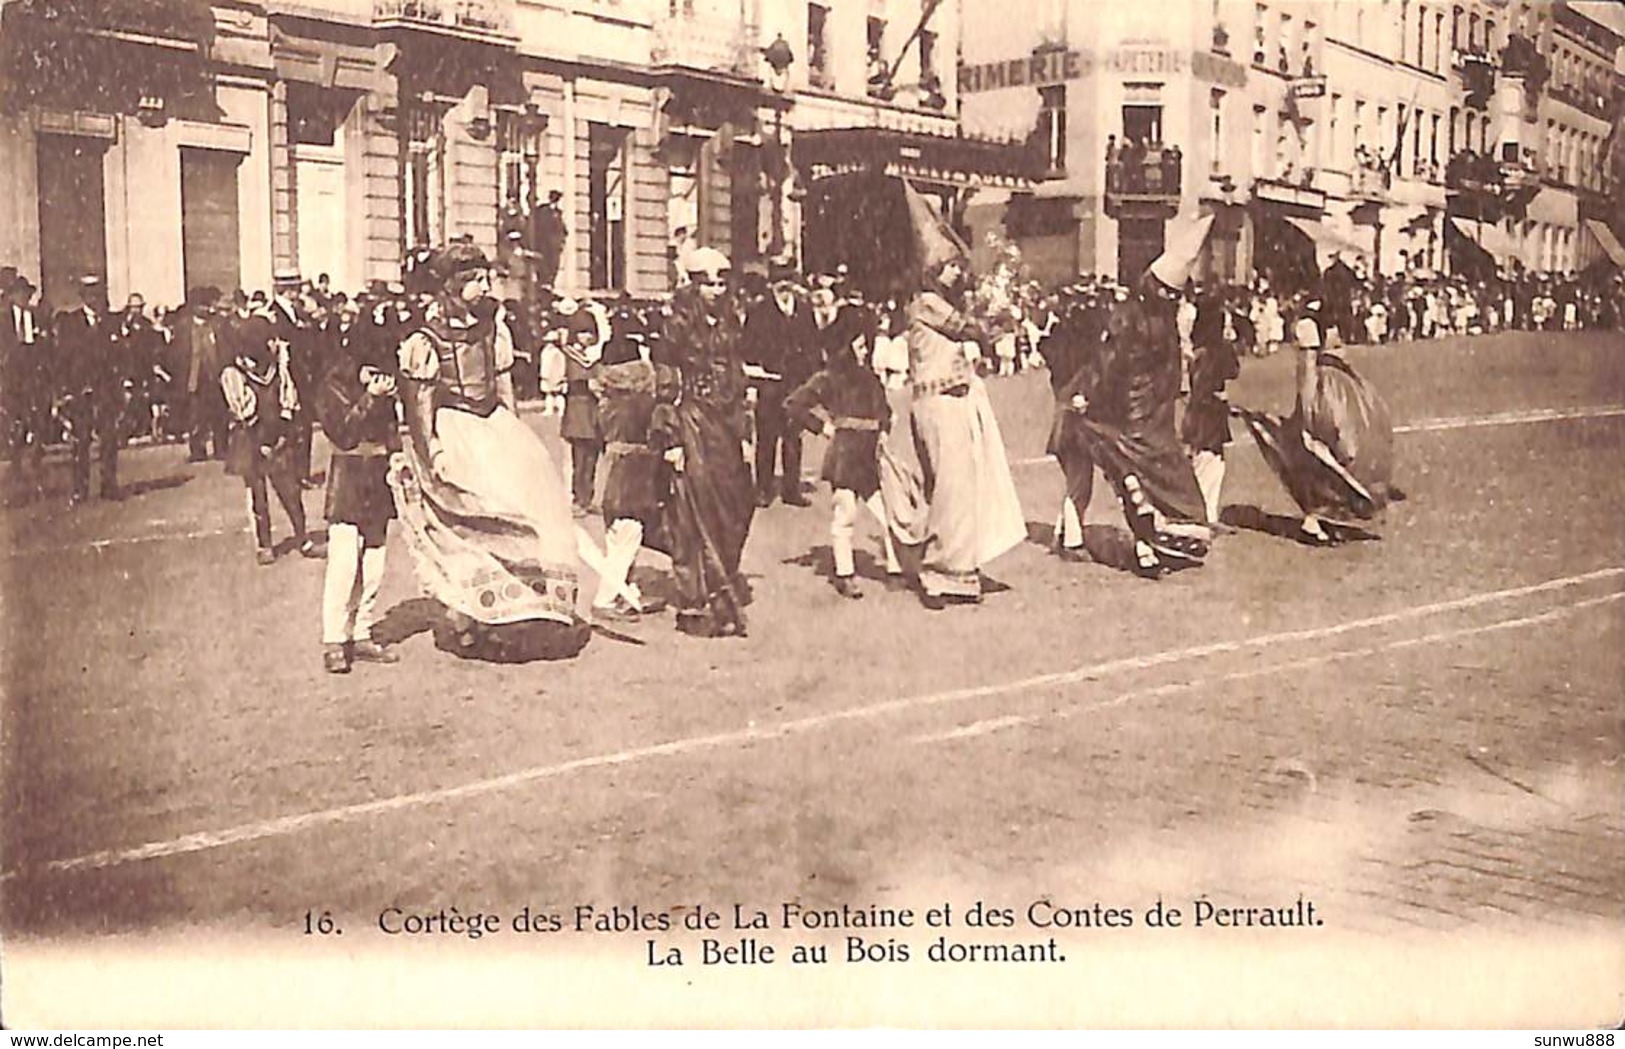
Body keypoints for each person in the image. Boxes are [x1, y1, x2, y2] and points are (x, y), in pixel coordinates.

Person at [388, 243, 587, 660]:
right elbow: (419, 403)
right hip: (456, 429)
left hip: (492, 425)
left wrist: (514, 431)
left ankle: (520, 610)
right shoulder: (426, 339)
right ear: (450, 287)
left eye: (484, 279)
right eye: (474, 281)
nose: (483, 287)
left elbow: (503, 384)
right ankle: (469, 615)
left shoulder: (492, 327)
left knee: (522, 505)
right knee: (468, 523)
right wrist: (432, 452)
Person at [900, 182, 1025, 608]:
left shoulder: (938, 301)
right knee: (951, 484)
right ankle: (938, 571)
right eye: (950, 266)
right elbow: (967, 328)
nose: (957, 273)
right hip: (936, 402)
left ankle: (958, 566)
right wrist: (997, 316)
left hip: (952, 399)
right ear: (932, 271)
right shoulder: (927, 304)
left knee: (961, 482)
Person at [1073, 217, 1214, 578]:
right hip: (1155, 413)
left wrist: (1088, 395)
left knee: (1126, 473)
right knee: (1162, 474)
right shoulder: (1166, 323)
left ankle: (1144, 540)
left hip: (1126, 410)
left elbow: (1109, 364)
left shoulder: (1128, 316)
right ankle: (1162, 534)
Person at [1236, 293, 1405, 544]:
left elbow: (1308, 370)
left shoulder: (1308, 328)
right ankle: (1320, 516)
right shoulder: (1325, 327)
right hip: (1333, 390)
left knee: (1316, 455)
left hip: (1324, 390)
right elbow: (1320, 364)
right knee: (1327, 453)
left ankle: (1315, 517)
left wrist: (1309, 408)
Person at [651, 247, 756, 637]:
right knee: (692, 512)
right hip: (691, 419)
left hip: (726, 423)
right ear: (692, 285)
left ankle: (722, 582)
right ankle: (696, 601)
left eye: (719, 282)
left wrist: (745, 431)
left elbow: (738, 375)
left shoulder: (731, 321)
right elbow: (665, 380)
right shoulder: (676, 325)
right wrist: (672, 436)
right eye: (707, 282)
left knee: (738, 504)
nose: (715, 289)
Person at [784, 310, 902, 599]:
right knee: (845, 515)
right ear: (846, 345)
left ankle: (896, 569)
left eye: (866, 346)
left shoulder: (871, 378)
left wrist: (884, 428)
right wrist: (822, 426)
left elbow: (884, 410)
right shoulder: (829, 378)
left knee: (888, 514)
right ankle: (845, 573)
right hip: (846, 455)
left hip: (870, 456)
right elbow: (793, 404)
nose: (865, 351)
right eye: (860, 345)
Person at [313, 320, 403, 674]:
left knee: (376, 563)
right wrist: (370, 399)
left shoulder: (381, 383)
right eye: (372, 371)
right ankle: (334, 639)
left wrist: (396, 453)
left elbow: (391, 427)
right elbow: (344, 433)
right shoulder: (332, 386)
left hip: (378, 475)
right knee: (344, 562)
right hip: (349, 478)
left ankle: (361, 630)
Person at [588, 313, 671, 621]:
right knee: (629, 534)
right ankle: (607, 598)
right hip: (635, 470)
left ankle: (626, 591)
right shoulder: (641, 401)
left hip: (612, 466)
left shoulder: (606, 401)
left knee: (616, 535)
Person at [221, 316, 321, 564]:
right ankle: (264, 544)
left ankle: (302, 537)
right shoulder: (234, 373)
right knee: (257, 493)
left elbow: (288, 398)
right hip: (251, 440)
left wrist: (282, 431)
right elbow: (243, 411)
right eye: (268, 340)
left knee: (290, 490)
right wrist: (262, 443)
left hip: (278, 437)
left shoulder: (277, 368)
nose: (272, 345)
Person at [742, 258, 821, 507]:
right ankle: (763, 489)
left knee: (793, 436)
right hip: (770, 383)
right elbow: (748, 347)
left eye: (788, 279)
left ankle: (791, 489)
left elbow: (813, 345)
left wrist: (812, 381)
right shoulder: (759, 311)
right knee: (767, 437)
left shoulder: (804, 308)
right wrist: (755, 380)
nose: (784, 285)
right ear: (771, 283)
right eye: (779, 280)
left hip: (796, 384)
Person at [56, 276, 123, 504]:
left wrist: (122, 385)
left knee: (109, 439)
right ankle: (80, 489)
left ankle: (109, 484)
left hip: (106, 390)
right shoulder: (69, 322)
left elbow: (120, 355)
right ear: (83, 296)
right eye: (90, 294)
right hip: (80, 391)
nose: (95, 298)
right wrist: (65, 390)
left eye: (98, 293)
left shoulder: (111, 322)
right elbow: (63, 359)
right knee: (81, 441)